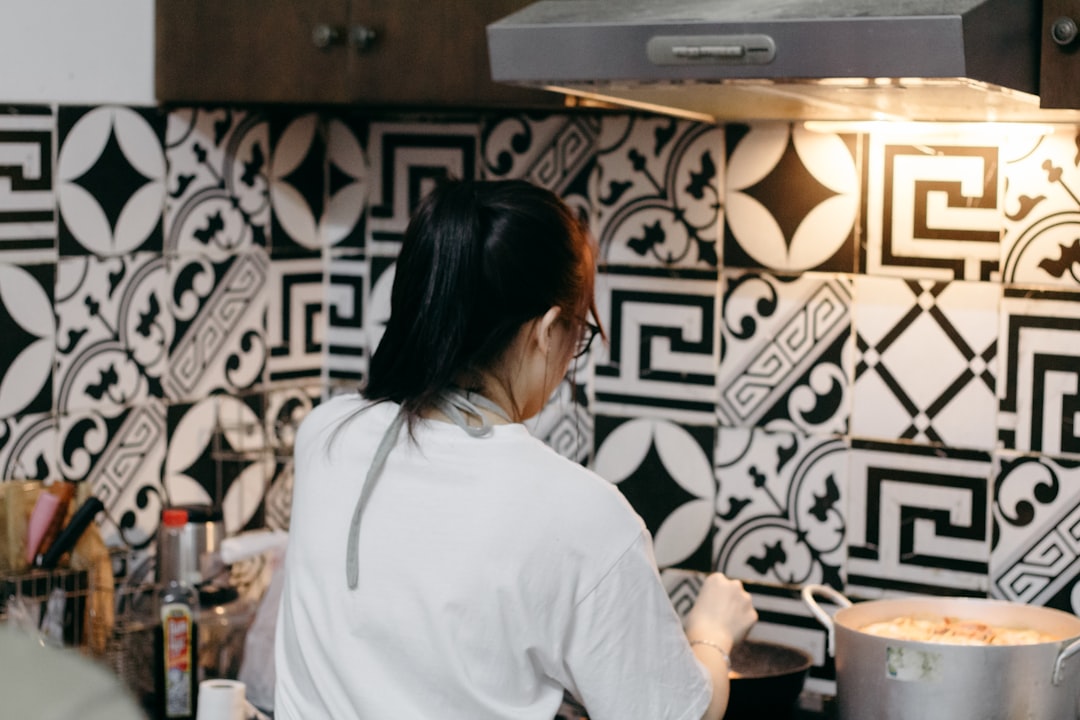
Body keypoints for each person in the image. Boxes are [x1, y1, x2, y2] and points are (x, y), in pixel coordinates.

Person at [274, 178, 758, 720]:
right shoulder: (582, 516)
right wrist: (712, 633)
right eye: (579, 333)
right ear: (548, 330)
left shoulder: (326, 434)